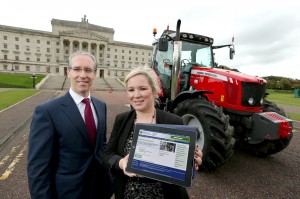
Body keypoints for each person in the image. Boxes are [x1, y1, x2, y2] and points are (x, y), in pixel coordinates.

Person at [103, 66, 203, 199]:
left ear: (154, 90)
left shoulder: (173, 121)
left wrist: (193, 159)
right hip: (127, 192)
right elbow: (107, 154)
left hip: (163, 194)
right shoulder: (122, 119)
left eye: (142, 88)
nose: (136, 95)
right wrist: (121, 163)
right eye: (131, 90)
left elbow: (183, 163)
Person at [27, 51, 113, 199]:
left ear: (94, 74)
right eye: (77, 69)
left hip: (99, 190)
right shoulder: (47, 111)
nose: (83, 75)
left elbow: (101, 147)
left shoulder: (101, 106)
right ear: (68, 72)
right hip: (67, 193)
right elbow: (38, 167)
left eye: (88, 70)